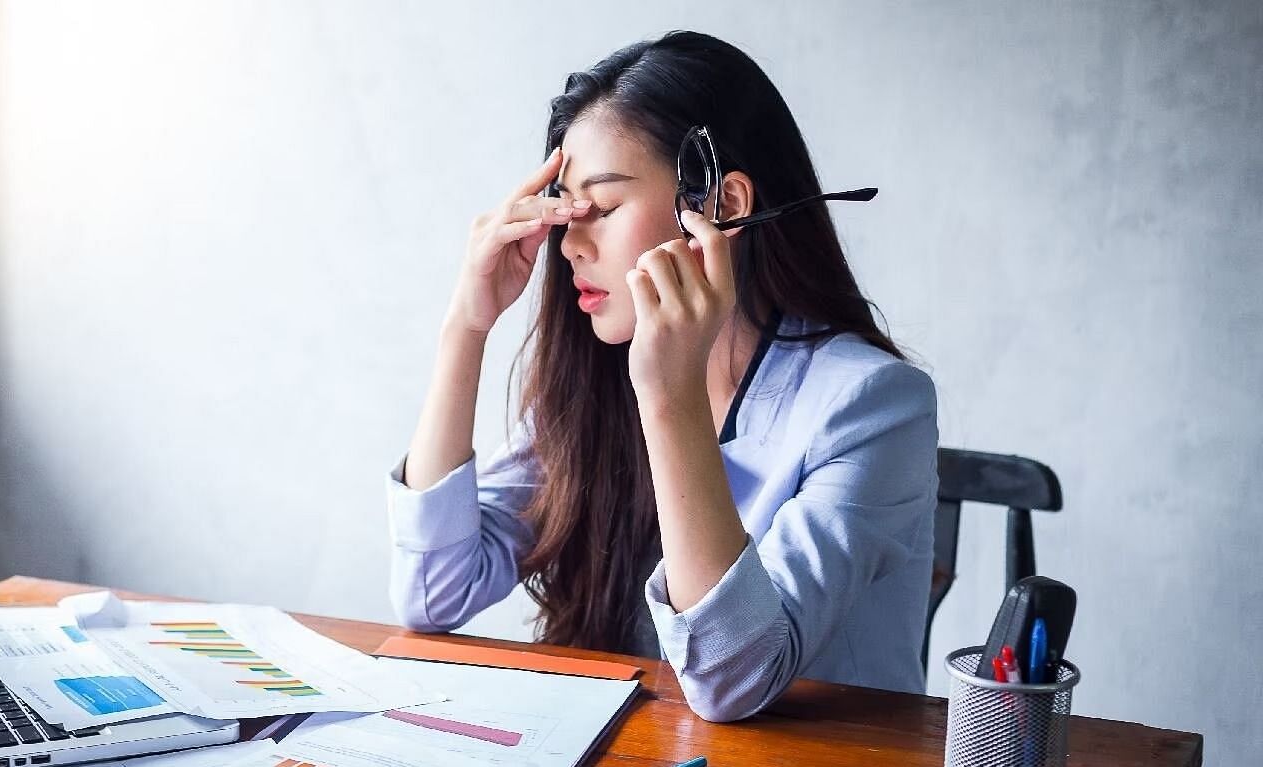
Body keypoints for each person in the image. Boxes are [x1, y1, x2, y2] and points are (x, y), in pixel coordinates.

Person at [386, 30, 939, 722]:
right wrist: (463, 331)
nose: (569, 246)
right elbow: (433, 591)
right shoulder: (601, 379)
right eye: (565, 211)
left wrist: (669, 397)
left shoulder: (873, 406)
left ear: (724, 206)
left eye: (604, 207)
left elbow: (733, 678)